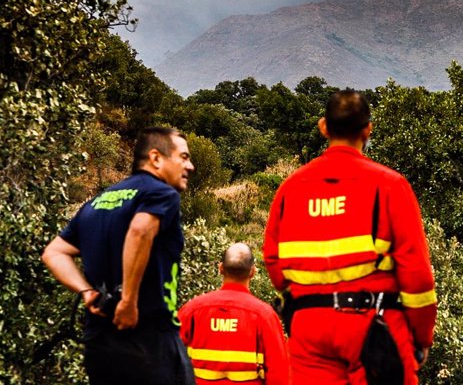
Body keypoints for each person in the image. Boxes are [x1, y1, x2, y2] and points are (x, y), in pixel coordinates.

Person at [263, 89, 436, 385]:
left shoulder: (290, 188)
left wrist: (301, 306)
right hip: (374, 327)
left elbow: (272, 259)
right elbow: (416, 273)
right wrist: (421, 337)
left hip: (308, 331)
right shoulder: (389, 186)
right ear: (368, 129)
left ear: (323, 127)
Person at [41, 126, 196, 385]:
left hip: (100, 344)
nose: (189, 166)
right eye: (183, 156)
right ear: (156, 158)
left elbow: (54, 252)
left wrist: (86, 292)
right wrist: (128, 301)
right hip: (150, 339)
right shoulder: (160, 193)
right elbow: (140, 230)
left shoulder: (96, 203)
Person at [179, 242, 291, 385]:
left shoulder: (192, 309)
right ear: (253, 272)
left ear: (220, 268)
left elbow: (167, 358)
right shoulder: (265, 315)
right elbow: (280, 374)